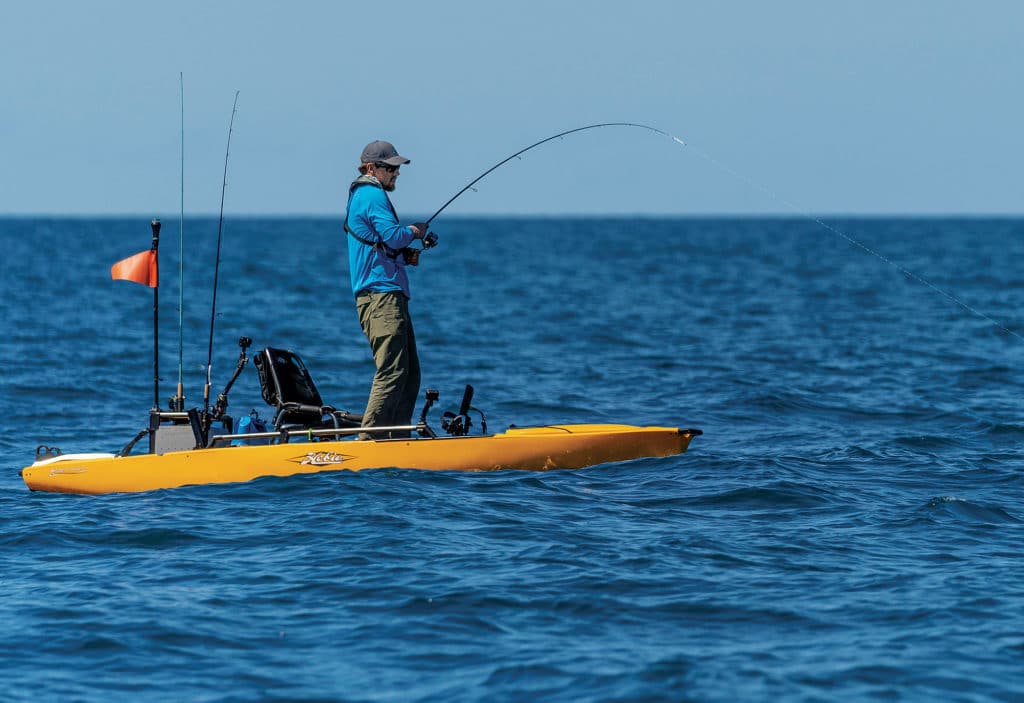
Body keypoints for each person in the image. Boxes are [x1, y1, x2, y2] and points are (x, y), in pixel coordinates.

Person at [344, 140, 431, 439]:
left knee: (410, 374)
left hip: (388, 293)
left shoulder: (367, 195)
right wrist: (414, 232)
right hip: (380, 297)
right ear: (371, 168)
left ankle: (396, 437)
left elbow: (381, 243)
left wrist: (404, 255)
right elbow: (394, 236)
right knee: (393, 370)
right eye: (390, 168)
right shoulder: (371, 194)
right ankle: (369, 440)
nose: (396, 173)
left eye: (396, 168)